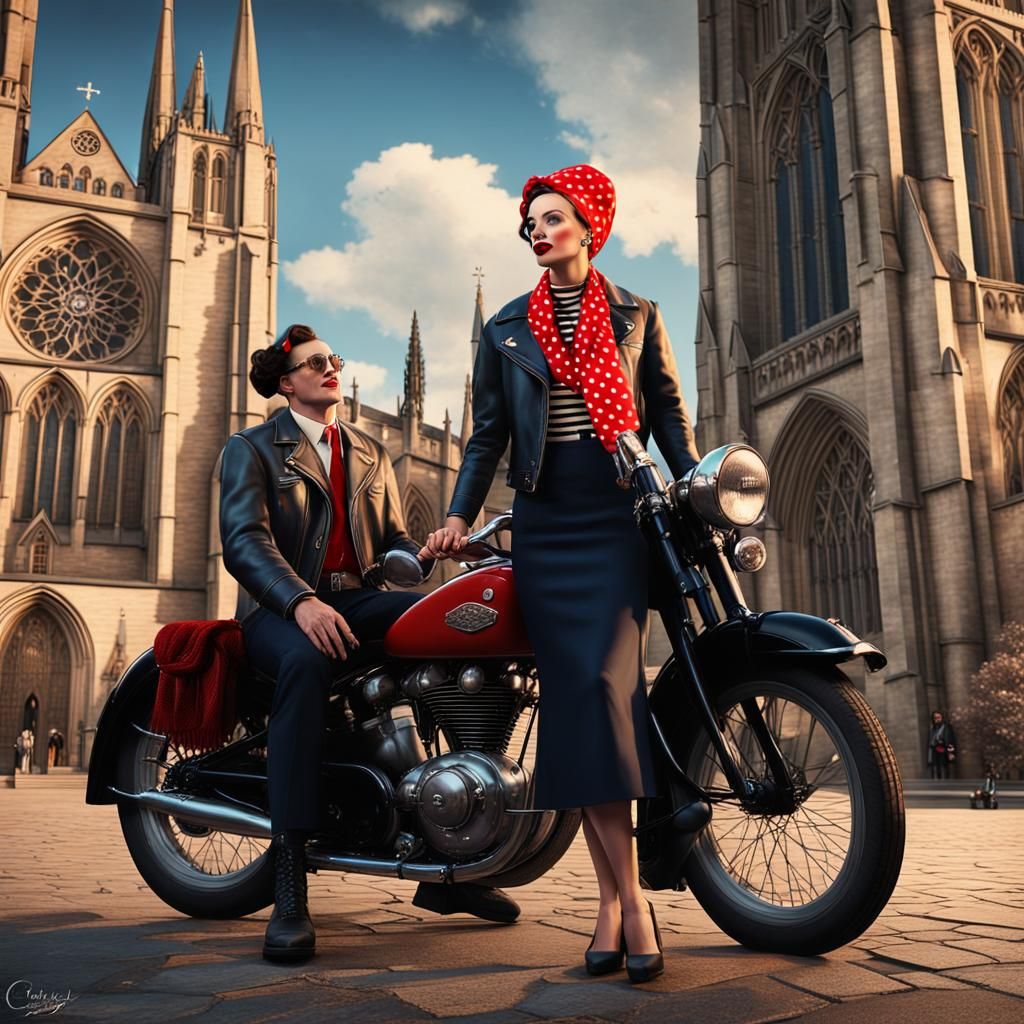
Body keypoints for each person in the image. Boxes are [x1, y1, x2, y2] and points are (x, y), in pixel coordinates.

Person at [422, 165, 700, 984]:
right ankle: (621, 904)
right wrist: (460, 515)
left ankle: (621, 903)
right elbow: (487, 437)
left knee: (609, 695)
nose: (537, 232)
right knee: (578, 707)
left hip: (616, 515)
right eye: (530, 223)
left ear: (589, 225)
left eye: (552, 219)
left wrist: (696, 487)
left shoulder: (638, 313)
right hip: (546, 524)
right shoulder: (508, 326)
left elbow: (670, 419)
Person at [219, 324, 519, 964]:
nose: (331, 367)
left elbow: (391, 543)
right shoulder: (251, 449)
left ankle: (450, 847)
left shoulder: (368, 451)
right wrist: (300, 601)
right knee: (305, 662)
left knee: (452, 626)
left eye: (335, 358)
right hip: (281, 606)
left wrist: (436, 551)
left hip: (352, 598)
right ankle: (290, 879)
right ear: (285, 381)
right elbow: (245, 542)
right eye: (315, 362)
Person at [926, 710, 957, 780]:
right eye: (935, 718)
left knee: (944, 769)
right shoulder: (933, 729)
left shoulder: (947, 728)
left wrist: (951, 753)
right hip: (934, 751)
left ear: (942, 718)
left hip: (944, 751)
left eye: (938, 717)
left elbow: (950, 741)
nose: (937, 719)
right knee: (935, 769)